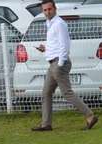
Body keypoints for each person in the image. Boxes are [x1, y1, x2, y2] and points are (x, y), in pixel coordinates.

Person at [31, 0, 97, 132]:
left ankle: (90, 116)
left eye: (49, 9)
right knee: (46, 93)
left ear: (55, 8)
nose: (47, 12)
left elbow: (64, 45)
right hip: (53, 63)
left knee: (67, 93)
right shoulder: (49, 23)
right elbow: (56, 44)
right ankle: (46, 124)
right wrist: (46, 48)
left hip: (59, 63)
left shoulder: (59, 24)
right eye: (45, 10)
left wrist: (60, 64)